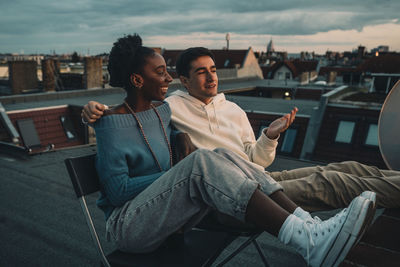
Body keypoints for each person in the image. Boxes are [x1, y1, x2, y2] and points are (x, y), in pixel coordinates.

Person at [93, 34, 374, 267]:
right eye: (160, 72)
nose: (168, 78)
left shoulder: (161, 112)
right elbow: (117, 190)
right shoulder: (108, 124)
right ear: (138, 80)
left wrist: (180, 137)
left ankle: (309, 228)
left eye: (167, 70)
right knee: (203, 160)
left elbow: (164, 134)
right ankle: (307, 241)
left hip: (167, 216)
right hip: (129, 227)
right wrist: (175, 172)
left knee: (222, 154)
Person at [83, 47, 400, 212]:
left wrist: (270, 136)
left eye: (213, 70)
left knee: (349, 167)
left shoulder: (232, 108)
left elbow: (257, 160)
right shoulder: (169, 108)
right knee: (331, 181)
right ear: (184, 80)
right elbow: (130, 115)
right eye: (201, 73)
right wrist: (93, 110)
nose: (211, 78)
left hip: (260, 176)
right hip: (233, 192)